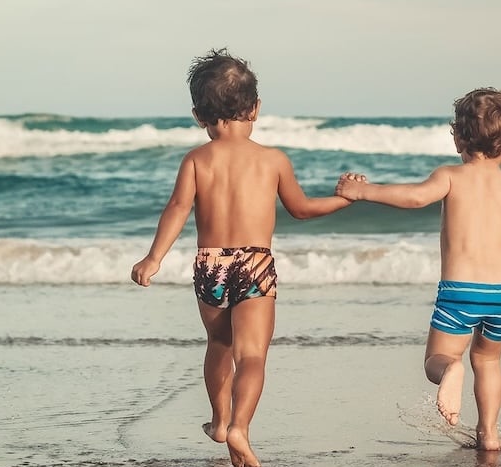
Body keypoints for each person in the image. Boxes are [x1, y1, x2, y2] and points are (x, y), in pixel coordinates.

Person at [130, 48, 352, 467]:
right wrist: (345, 199)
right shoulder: (272, 159)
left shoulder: (196, 160)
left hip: (210, 263)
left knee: (219, 342)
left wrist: (153, 257)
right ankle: (240, 428)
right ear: (255, 109)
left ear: (199, 116)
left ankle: (219, 421)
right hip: (255, 264)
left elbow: (177, 208)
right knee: (251, 355)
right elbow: (302, 209)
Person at [335, 87, 501, 451]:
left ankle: (451, 371)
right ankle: (490, 434)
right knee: (488, 360)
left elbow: (415, 197)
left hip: (460, 292)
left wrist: (363, 192)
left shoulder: (450, 176)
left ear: (458, 139)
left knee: (436, 361)